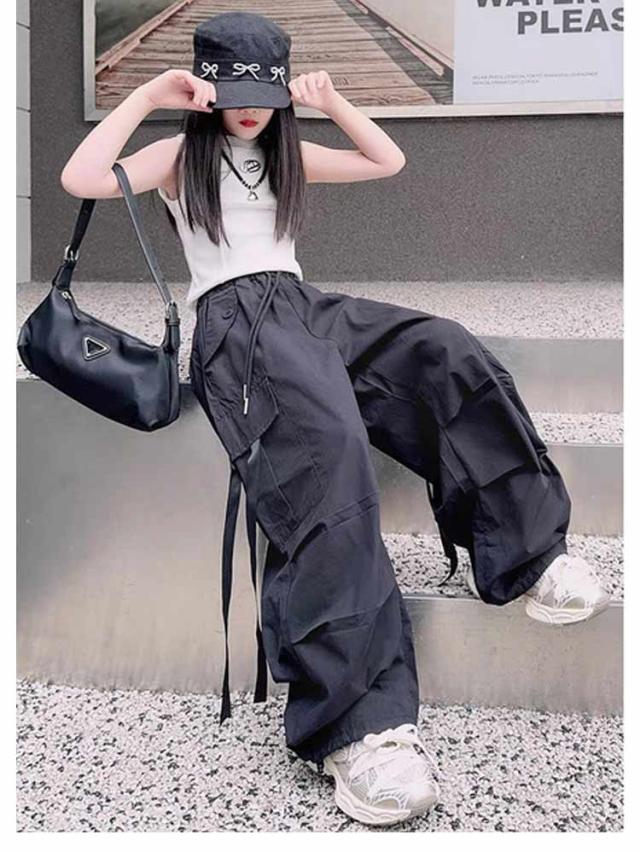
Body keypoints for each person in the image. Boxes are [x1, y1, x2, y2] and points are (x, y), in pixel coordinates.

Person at [60, 10, 610, 828]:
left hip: (304, 308)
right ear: (206, 92)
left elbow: (387, 159)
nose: (251, 110)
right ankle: (360, 728)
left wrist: (329, 101)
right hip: (236, 328)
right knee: (328, 454)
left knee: (443, 350)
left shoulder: (285, 150)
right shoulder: (180, 156)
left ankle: (526, 552)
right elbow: (81, 178)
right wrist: (147, 95)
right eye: (235, 95)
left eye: (265, 94)